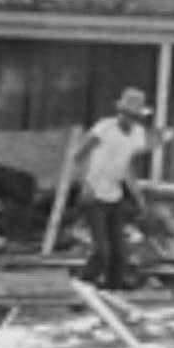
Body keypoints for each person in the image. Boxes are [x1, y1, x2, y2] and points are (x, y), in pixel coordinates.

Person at [70, 87, 157, 291]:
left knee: (119, 254)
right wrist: (86, 183)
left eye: (134, 116)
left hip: (114, 196)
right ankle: (79, 288)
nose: (130, 120)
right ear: (121, 113)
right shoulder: (104, 129)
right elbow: (79, 156)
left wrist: (138, 197)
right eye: (127, 115)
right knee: (103, 252)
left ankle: (113, 294)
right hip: (94, 197)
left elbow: (127, 166)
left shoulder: (138, 135)